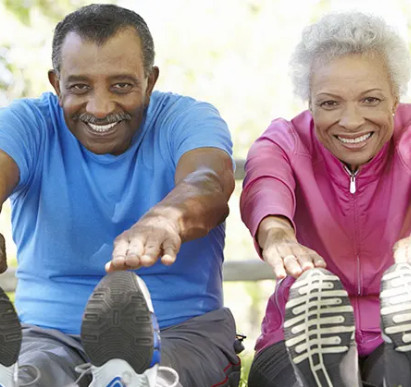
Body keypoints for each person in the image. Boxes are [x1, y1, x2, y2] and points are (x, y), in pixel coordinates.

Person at [0, 4, 242, 387]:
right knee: (35, 374)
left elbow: (209, 182)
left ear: (150, 80)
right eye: (79, 86)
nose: (100, 107)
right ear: (55, 82)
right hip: (44, 334)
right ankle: (21, 377)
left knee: (150, 377)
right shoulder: (27, 124)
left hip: (181, 330)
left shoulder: (188, 119)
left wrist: (165, 218)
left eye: (122, 86)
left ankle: (132, 378)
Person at [240, 11, 411, 387]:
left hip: (395, 326)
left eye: (369, 100)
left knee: (399, 364)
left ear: (395, 97)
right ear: (310, 101)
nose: (351, 121)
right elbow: (264, 185)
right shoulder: (285, 141)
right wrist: (277, 235)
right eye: (331, 103)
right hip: (296, 334)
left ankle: (398, 363)